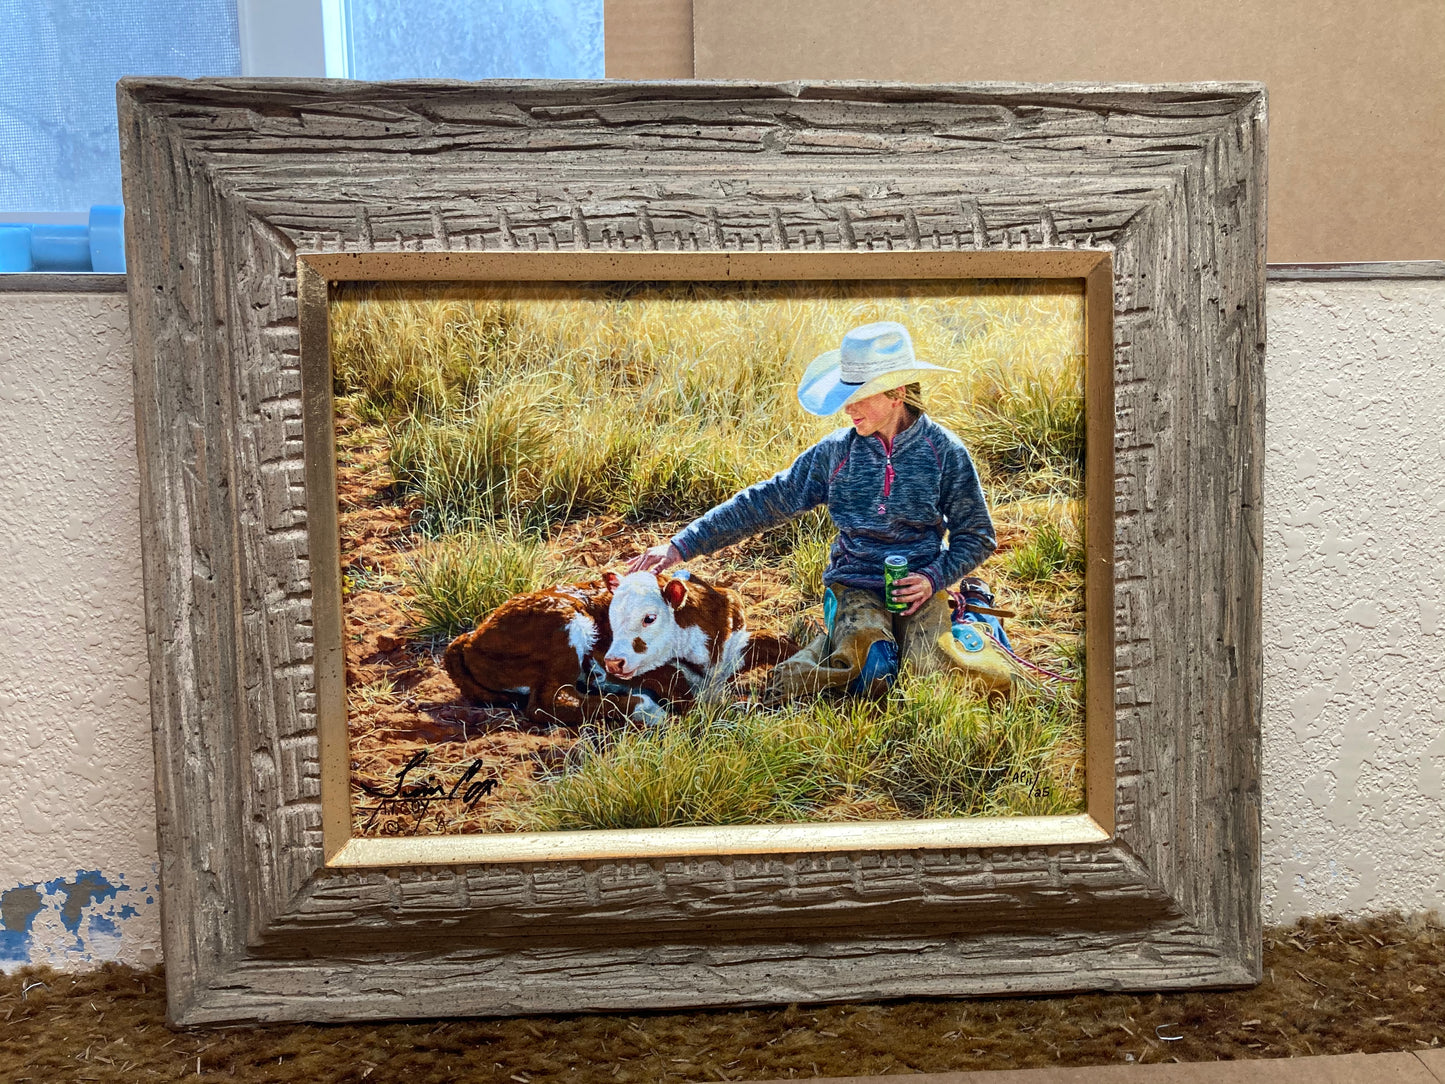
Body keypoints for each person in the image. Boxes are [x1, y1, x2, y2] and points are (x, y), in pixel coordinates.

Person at [628, 320, 1011, 698]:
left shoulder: (944, 453)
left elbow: (977, 535)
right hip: (855, 584)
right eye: (846, 395)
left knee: (936, 678)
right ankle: (845, 641)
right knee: (873, 671)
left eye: (859, 396)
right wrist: (680, 546)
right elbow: (765, 501)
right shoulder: (835, 454)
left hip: (921, 585)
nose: (848, 408)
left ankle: (974, 613)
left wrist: (932, 577)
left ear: (896, 393)